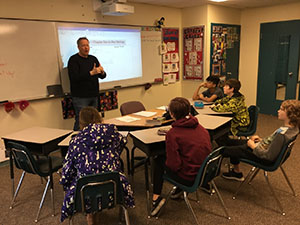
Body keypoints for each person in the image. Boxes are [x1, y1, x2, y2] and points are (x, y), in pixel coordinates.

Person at [60, 107, 134, 224]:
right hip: (115, 190)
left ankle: (90, 215)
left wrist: (66, 183)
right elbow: (120, 147)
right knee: (102, 173)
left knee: (83, 178)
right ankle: (95, 212)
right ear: (99, 118)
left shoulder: (76, 141)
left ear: (81, 123)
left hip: (85, 194)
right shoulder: (114, 134)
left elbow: (67, 173)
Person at [151, 97, 212, 216]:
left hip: (190, 177)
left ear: (172, 114)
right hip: (205, 173)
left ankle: (156, 198)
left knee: (158, 160)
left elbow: (174, 165)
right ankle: (179, 190)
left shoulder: (173, 134)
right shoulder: (201, 128)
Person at [221, 100, 300, 181]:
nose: (278, 111)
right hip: (263, 148)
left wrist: (253, 146)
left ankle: (214, 171)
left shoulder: (282, 135)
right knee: (233, 142)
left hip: (263, 157)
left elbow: (268, 156)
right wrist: (261, 140)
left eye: (281, 109)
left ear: (290, 115)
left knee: (226, 150)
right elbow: (274, 143)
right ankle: (236, 172)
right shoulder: (293, 129)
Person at [68, 37, 106, 131]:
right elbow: (74, 78)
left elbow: (103, 76)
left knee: (95, 120)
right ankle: (76, 141)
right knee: (81, 121)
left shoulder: (93, 59)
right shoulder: (73, 60)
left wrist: (101, 72)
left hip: (94, 95)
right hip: (80, 97)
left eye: (87, 45)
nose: (86, 48)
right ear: (78, 47)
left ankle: (93, 141)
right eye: (83, 45)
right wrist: (91, 73)